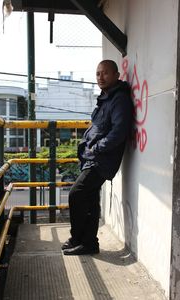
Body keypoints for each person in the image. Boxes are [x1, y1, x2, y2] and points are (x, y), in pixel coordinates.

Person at [62, 59, 133, 255]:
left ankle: (78, 238)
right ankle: (88, 243)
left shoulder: (119, 99)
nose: (100, 77)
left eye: (105, 73)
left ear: (116, 75)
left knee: (76, 194)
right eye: (98, 73)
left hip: (101, 160)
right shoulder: (106, 98)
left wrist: (97, 148)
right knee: (90, 200)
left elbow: (119, 132)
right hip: (93, 157)